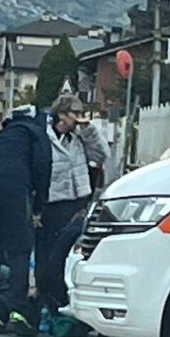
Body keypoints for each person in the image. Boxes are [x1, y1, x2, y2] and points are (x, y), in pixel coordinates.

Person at [0, 104, 52, 336]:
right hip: (14, 190)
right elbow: (42, 168)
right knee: (19, 250)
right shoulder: (37, 134)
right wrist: (39, 207)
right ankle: (18, 312)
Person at [35, 95, 108, 301]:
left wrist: (89, 131)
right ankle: (44, 295)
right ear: (61, 114)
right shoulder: (44, 135)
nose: (79, 118)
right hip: (52, 201)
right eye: (74, 113)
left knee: (67, 252)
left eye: (80, 113)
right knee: (48, 252)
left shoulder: (79, 136)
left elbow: (101, 156)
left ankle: (61, 295)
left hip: (76, 199)